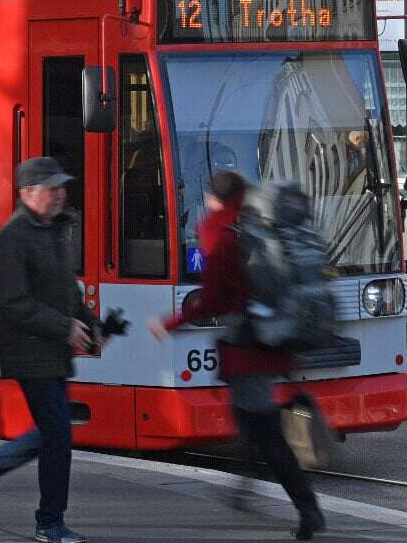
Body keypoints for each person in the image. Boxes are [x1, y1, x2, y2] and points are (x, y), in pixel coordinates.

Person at [148, 170, 325, 540]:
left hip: (248, 348)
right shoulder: (255, 223)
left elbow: (213, 297)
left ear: (214, 197)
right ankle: (244, 487)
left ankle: (307, 509)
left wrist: (172, 322)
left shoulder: (222, 233)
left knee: (266, 432)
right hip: (266, 340)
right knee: (247, 419)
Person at [0, 157, 104, 543]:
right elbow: (14, 303)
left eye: (62, 186)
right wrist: (65, 326)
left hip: (52, 350)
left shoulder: (53, 229)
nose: (60, 194)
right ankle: (49, 522)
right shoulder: (10, 240)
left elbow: (67, 290)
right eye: (51, 188)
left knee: (52, 431)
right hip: (29, 352)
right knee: (58, 434)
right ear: (27, 194)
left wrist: (91, 325)